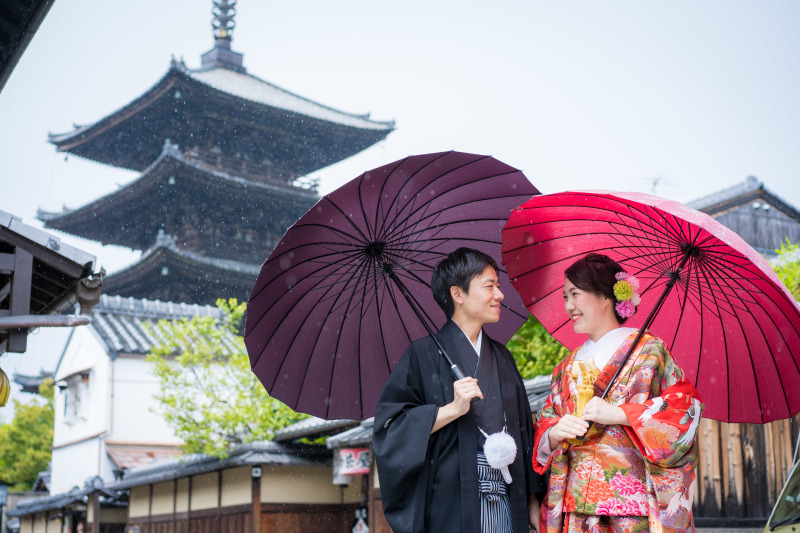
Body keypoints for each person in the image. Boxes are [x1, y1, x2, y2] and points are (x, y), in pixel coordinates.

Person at [373, 247, 546, 533]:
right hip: (451, 503)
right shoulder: (421, 355)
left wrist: (530, 499)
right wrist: (450, 410)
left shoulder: (503, 358)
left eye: (498, 287)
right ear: (458, 294)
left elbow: (523, 431)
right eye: (490, 286)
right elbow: (390, 430)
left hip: (507, 494)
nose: (500, 295)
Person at [533, 253, 703, 533]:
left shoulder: (650, 352)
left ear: (604, 297)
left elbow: (684, 412)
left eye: (575, 294)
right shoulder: (565, 367)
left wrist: (621, 414)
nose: (568, 306)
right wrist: (554, 432)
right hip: (574, 506)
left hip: (632, 508)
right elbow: (545, 420)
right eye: (564, 297)